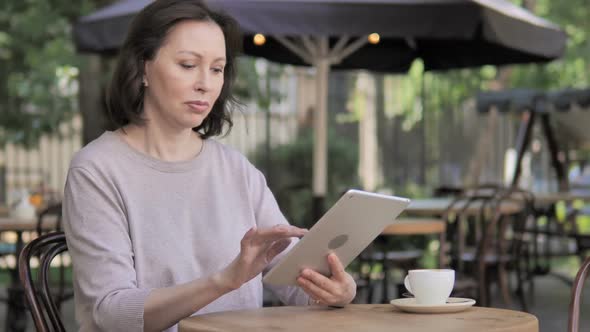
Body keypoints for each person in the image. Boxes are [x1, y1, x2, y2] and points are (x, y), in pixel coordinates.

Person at [63, 1, 356, 331]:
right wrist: (224, 281)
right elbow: (112, 313)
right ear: (143, 67)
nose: (206, 83)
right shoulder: (97, 170)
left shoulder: (235, 169)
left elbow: (294, 279)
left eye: (217, 69)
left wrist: (335, 290)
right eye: (188, 65)